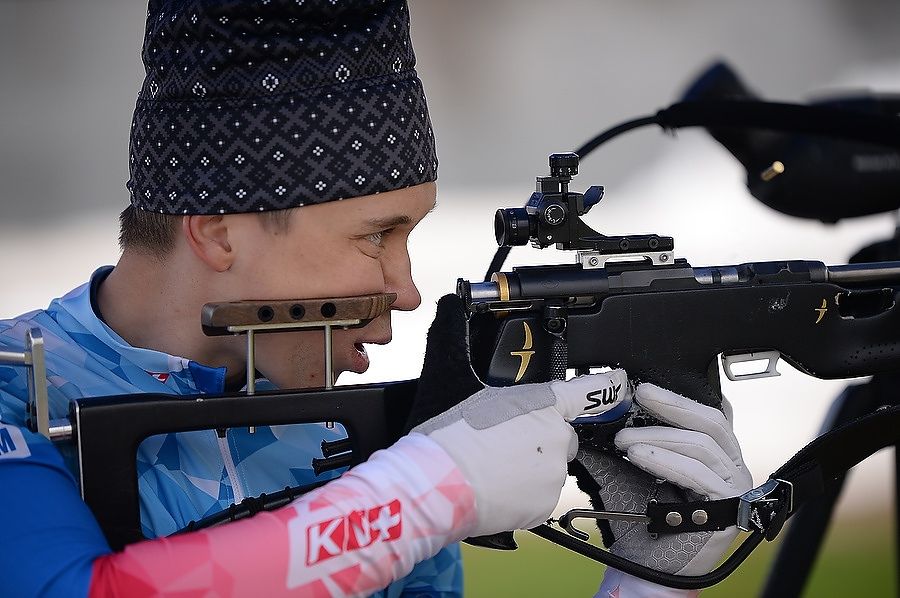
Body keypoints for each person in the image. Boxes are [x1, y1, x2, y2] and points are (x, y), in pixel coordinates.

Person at [0, 1, 752, 597]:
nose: (407, 287)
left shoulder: (346, 432)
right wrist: (414, 501)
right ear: (220, 233)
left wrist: (649, 583)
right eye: (376, 235)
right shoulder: (12, 395)